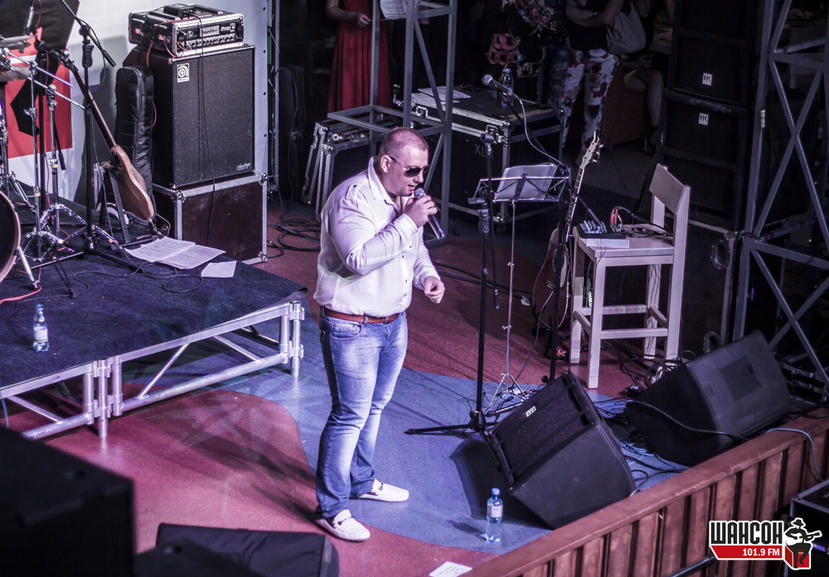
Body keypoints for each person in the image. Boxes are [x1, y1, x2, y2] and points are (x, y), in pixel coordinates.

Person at [313, 127, 446, 542]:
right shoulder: (352, 198)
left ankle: (360, 480)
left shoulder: (405, 199)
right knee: (349, 415)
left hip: (392, 323)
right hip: (352, 325)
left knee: (374, 409)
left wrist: (427, 276)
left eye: (423, 171)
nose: (419, 179)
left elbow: (415, 250)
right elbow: (357, 259)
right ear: (387, 162)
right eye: (412, 170)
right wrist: (408, 222)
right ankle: (331, 509)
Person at [557, 0, 624, 159]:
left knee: (594, 107)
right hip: (574, 47)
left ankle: (587, 157)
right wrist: (595, 17)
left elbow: (606, 18)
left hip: (603, 51)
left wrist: (582, 17)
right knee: (562, 103)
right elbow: (569, 11)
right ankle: (555, 152)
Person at [326, 0, 391, 112]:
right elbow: (330, 8)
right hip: (351, 34)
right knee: (351, 86)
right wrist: (352, 16)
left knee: (378, 84)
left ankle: (378, 121)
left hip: (376, 32)